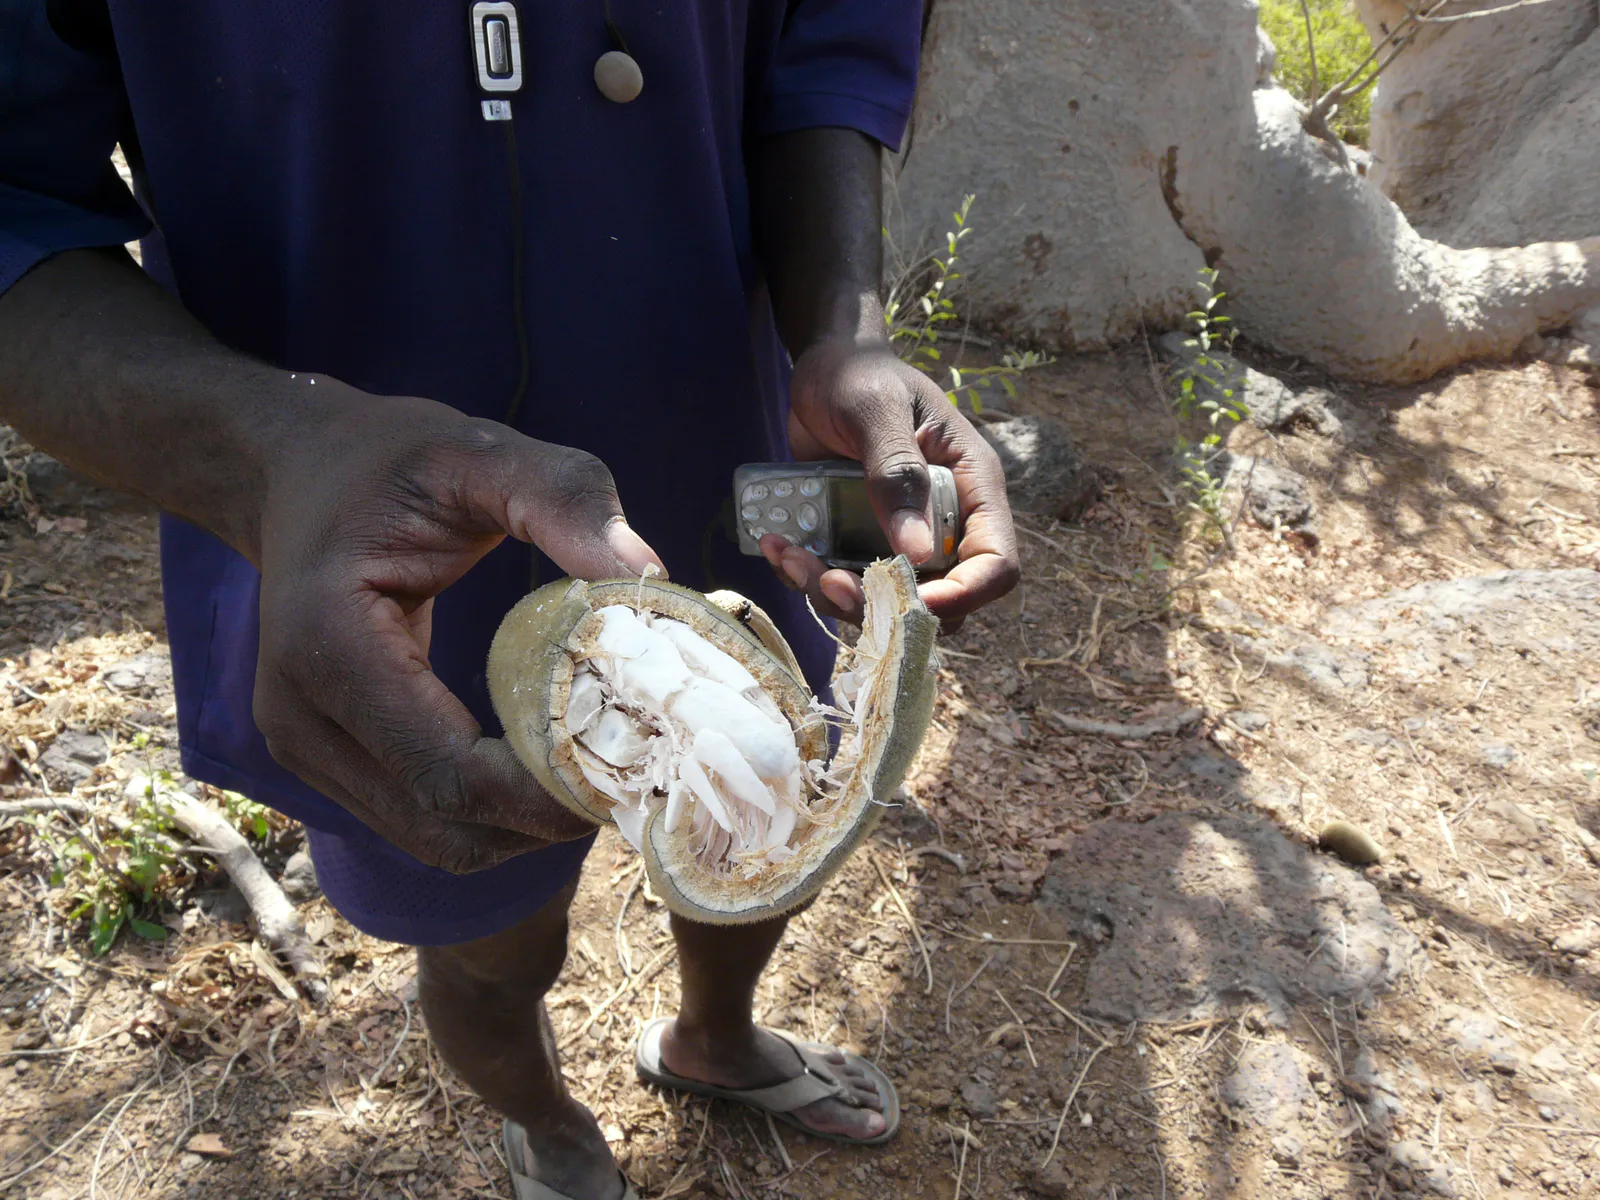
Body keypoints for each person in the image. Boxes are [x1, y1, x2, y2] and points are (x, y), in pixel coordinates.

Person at [0, 3, 1018, 1197]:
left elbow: (823, 37)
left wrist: (840, 328)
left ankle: (716, 1039)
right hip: (370, 549)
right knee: (487, 936)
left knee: (767, 821)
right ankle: (545, 1123)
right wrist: (266, 453)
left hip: (708, 455)